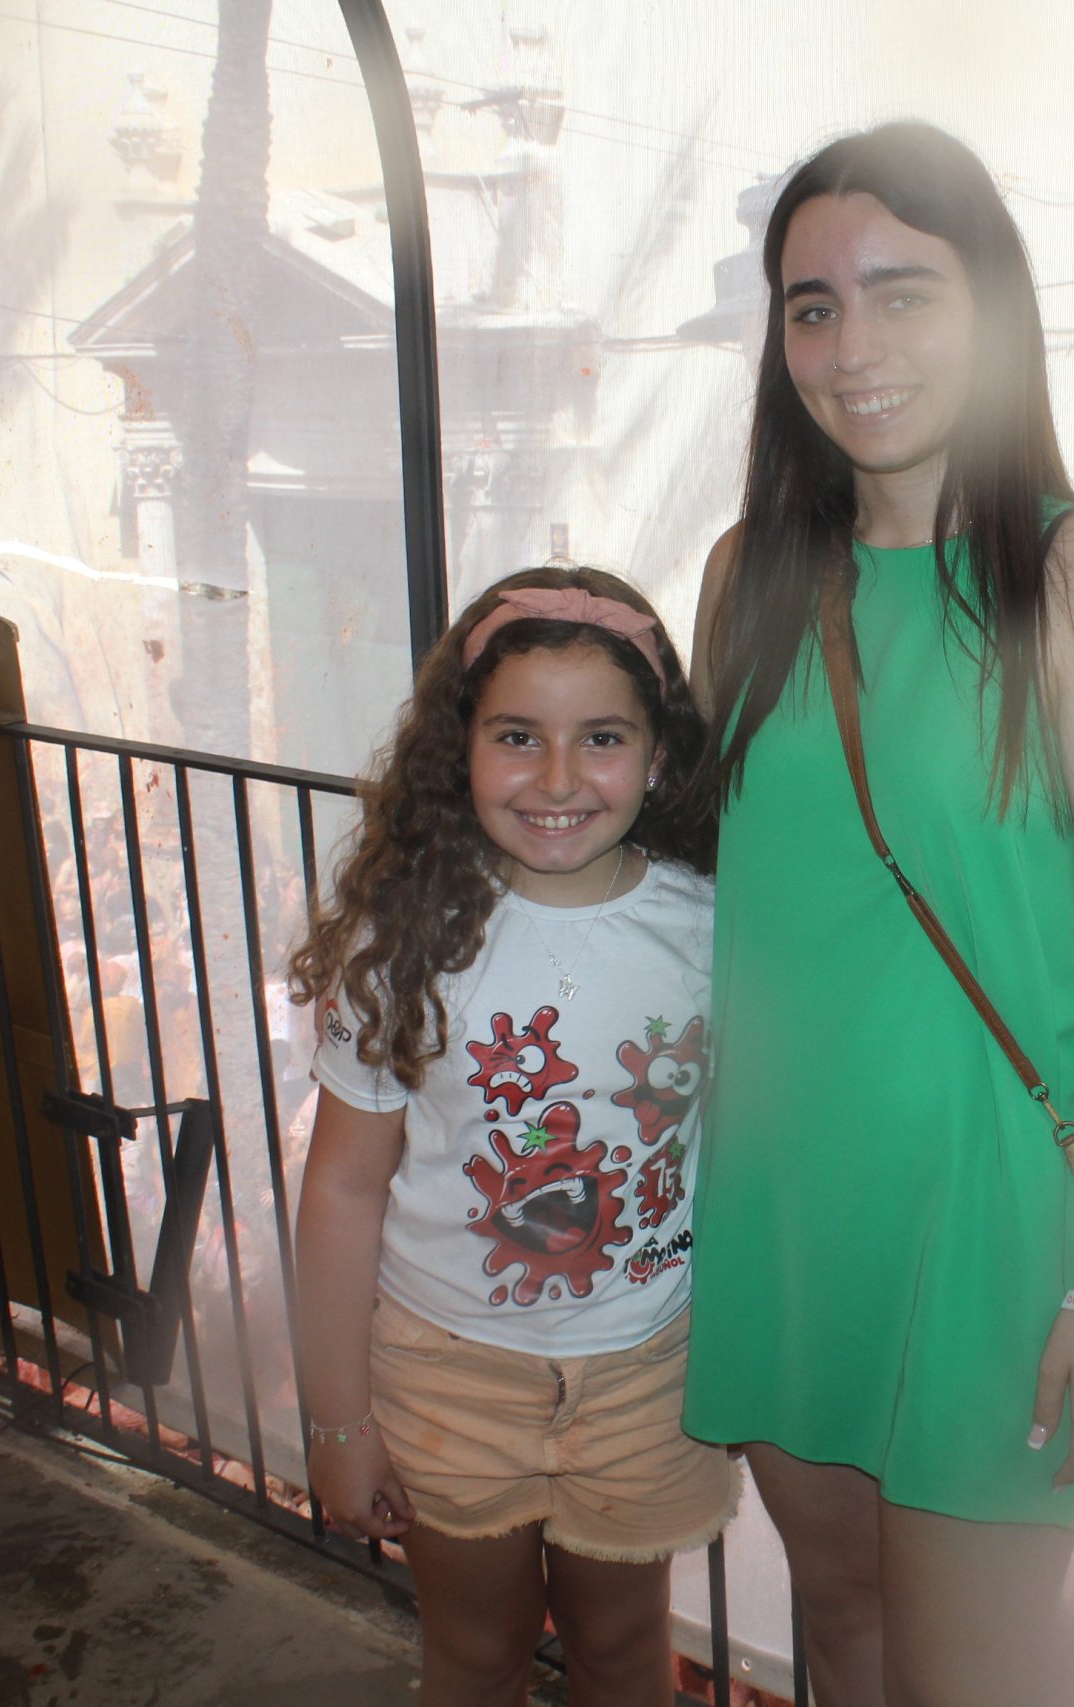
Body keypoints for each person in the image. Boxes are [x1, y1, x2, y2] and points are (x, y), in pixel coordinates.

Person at [679, 121, 1074, 1707]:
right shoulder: (746, 576)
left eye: (903, 293)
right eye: (814, 306)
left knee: (976, 1679)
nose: (853, 346)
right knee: (842, 1630)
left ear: (994, 310)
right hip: (789, 1203)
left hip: (987, 1226)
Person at [287, 569, 730, 1706]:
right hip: (444, 1378)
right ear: (461, 749)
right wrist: (337, 1421)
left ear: (659, 757)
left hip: (649, 1376)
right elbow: (342, 1190)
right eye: (519, 736)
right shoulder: (403, 936)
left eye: (603, 739)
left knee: (624, 1654)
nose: (559, 779)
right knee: (475, 1656)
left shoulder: (715, 929)